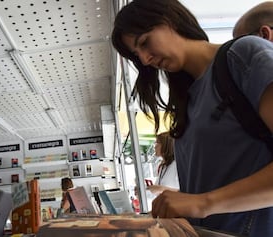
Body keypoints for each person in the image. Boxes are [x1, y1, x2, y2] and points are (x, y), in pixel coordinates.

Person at [112, 0, 273, 236]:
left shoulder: (243, 56)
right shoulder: (188, 100)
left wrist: (202, 202)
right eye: (138, 55)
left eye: (145, 42)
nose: (146, 59)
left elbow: (204, 201)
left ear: (170, 18)